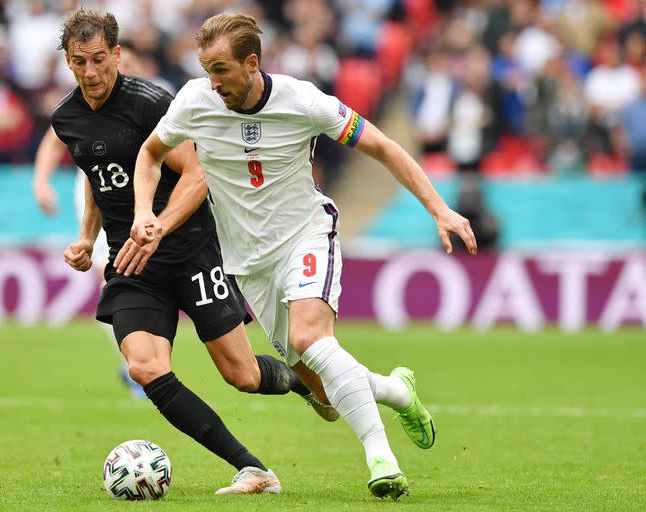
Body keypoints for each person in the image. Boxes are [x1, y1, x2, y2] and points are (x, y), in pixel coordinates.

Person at [128, 12, 478, 500]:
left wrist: (439, 209)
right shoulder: (194, 101)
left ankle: (381, 459)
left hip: (306, 235)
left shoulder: (303, 101)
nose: (213, 81)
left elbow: (382, 146)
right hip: (249, 263)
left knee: (310, 336)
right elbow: (149, 153)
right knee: (322, 390)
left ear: (252, 63)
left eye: (222, 69)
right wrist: (145, 209)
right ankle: (398, 391)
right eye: (206, 68)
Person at [49, 9, 336, 496]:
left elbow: (197, 174)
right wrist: (85, 236)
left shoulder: (152, 104)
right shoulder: (67, 119)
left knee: (242, 375)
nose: (90, 72)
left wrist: (158, 227)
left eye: (99, 59)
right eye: (79, 62)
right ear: (68, 63)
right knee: (144, 366)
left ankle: (298, 382)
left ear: (117, 54)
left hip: (192, 251)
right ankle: (253, 469)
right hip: (132, 260)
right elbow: (101, 180)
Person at [33, 38, 152, 398]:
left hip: (146, 195)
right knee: (112, 274)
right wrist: (41, 182)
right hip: (95, 193)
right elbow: (54, 140)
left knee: (147, 275)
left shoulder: (152, 101)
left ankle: (144, 358)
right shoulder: (84, 102)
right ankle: (134, 361)